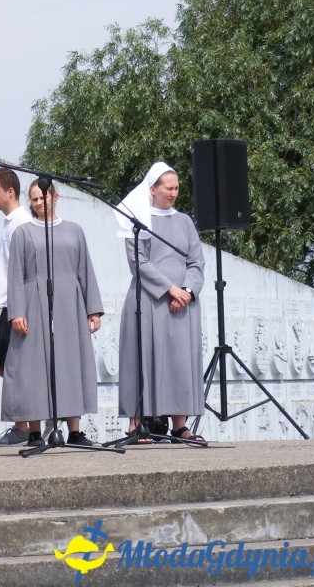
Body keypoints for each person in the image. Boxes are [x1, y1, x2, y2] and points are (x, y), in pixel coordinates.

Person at [2, 179, 103, 446]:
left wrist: (93, 310)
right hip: (33, 303)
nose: (38, 203)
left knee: (71, 362)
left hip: (70, 303)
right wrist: (17, 312)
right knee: (33, 365)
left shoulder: (74, 231)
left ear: (55, 197)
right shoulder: (23, 232)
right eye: (34, 199)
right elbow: (15, 275)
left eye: (43, 198)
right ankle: (35, 430)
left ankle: (74, 430)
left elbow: (85, 270)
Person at [116, 162, 206, 442]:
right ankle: (136, 424)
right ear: (152, 189)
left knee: (180, 362)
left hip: (182, 304)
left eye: (177, 188)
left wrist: (187, 291)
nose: (174, 193)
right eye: (169, 188)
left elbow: (196, 261)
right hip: (149, 300)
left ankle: (180, 424)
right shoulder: (137, 221)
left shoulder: (185, 221)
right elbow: (138, 262)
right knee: (140, 359)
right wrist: (169, 289)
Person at [0, 168, 42, 446]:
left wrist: (18, 307)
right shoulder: (10, 222)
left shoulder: (22, 222)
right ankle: (26, 424)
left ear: (10, 192)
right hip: (7, 304)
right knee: (2, 363)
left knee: (15, 365)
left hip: (17, 304)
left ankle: (25, 426)